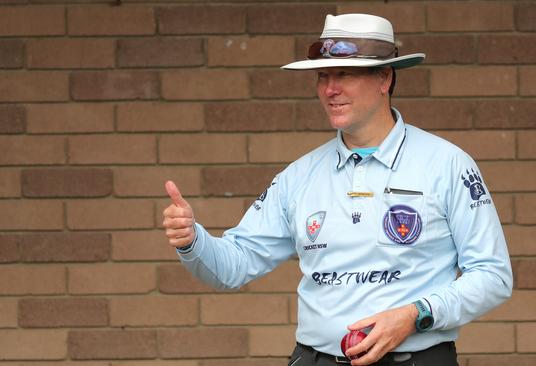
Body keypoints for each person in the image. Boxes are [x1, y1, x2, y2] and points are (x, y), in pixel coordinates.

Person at [163, 13, 512, 366]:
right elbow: (233, 267)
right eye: (323, 76)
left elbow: (492, 275)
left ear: (385, 77)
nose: (330, 89)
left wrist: (416, 315)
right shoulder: (299, 176)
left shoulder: (447, 164)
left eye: (344, 74)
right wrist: (193, 240)